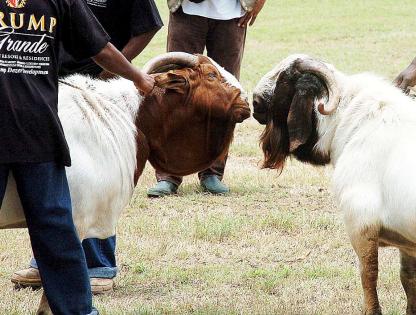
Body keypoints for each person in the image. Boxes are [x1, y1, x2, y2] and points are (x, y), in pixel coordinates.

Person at [0, 0, 154, 314]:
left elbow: (99, 47)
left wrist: (137, 76)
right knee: (56, 225)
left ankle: (76, 310)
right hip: (31, 126)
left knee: (56, 226)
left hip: (38, 129)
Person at [147, 0, 266, 198]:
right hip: (186, 9)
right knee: (176, 88)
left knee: (225, 94)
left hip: (232, 14)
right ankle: (169, 174)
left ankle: (213, 172)